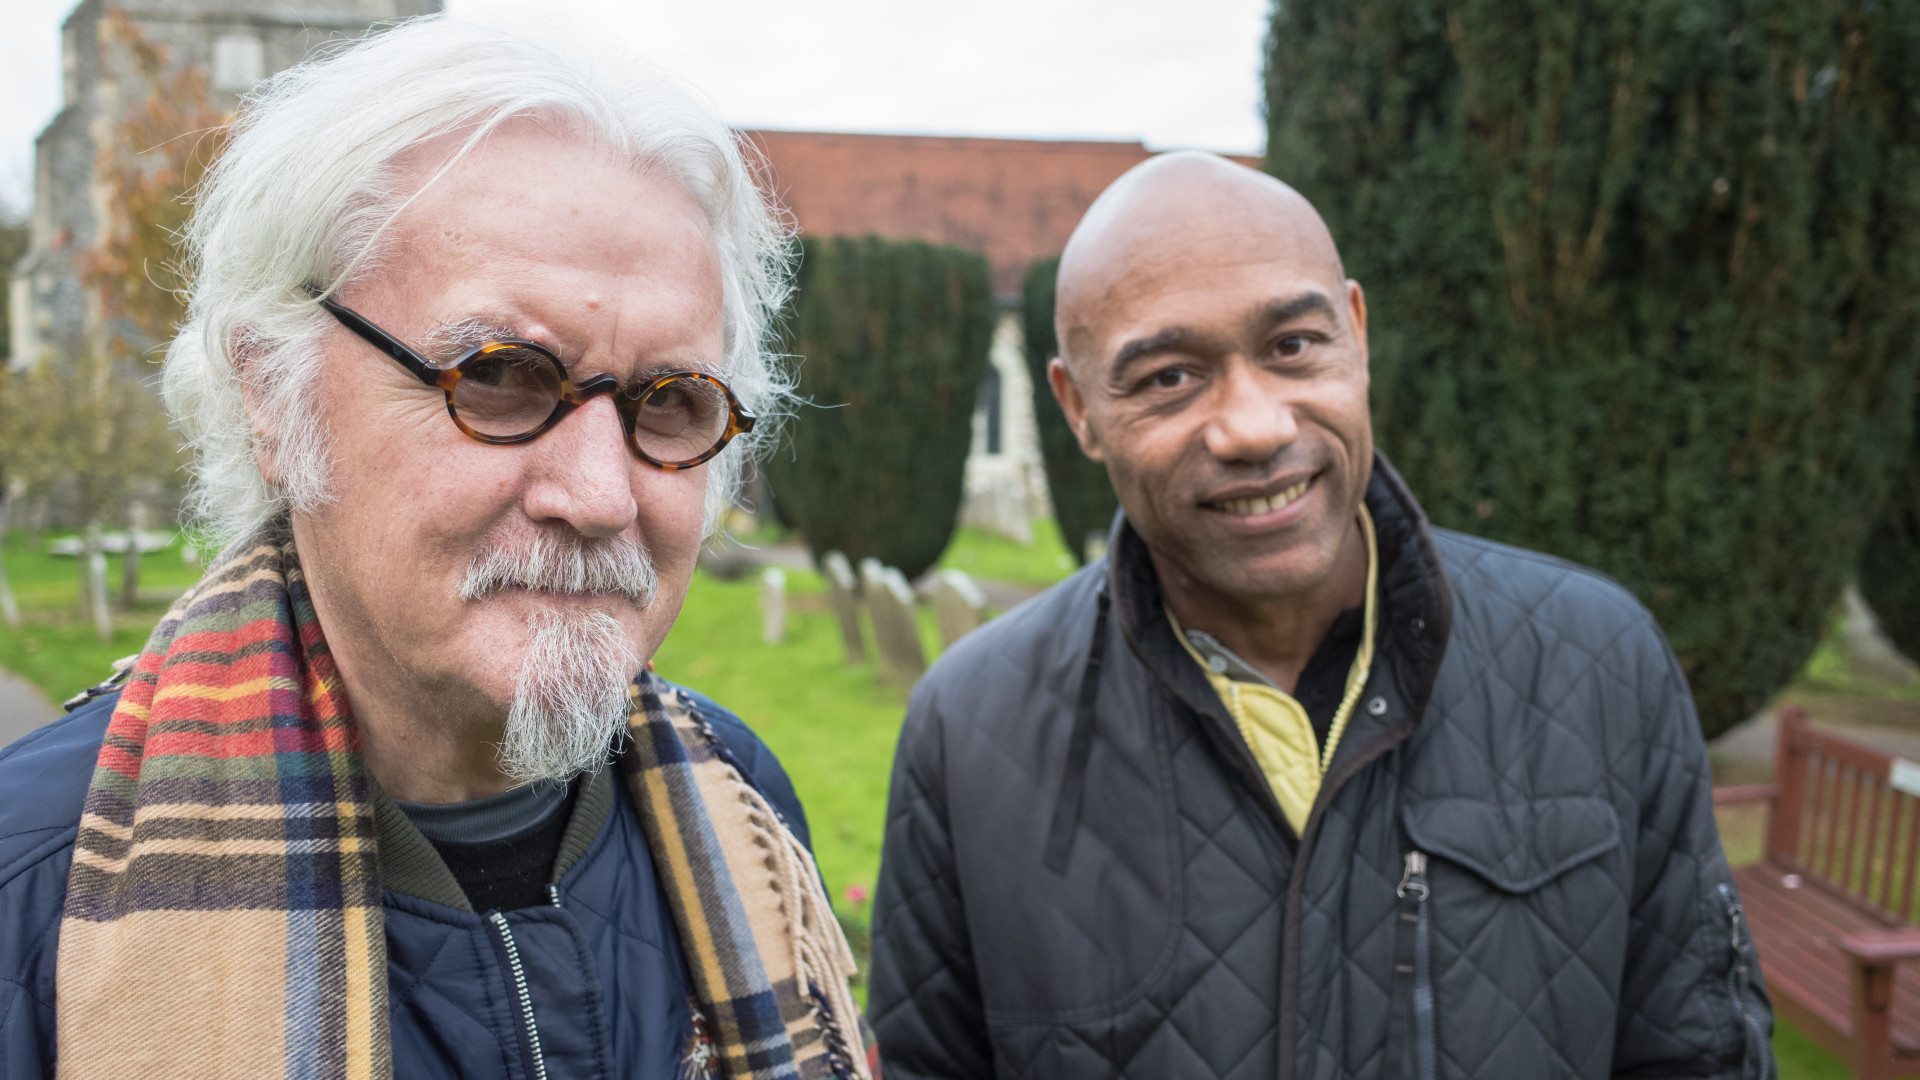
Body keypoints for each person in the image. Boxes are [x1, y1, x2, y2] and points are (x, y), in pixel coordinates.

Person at [0, 19, 871, 1080]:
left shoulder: (747, 803)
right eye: (500, 377)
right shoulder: (34, 892)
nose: (599, 497)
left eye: (673, 400)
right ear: (271, 393)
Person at [867, 152, 1775, 1080]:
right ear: (1080, 410)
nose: (1254, 427)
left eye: (1292, 346)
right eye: (1170, 377)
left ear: (1357, 332)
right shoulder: (970, 731)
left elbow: (1700, 1053)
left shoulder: (1600, 663)